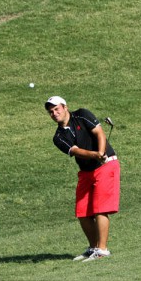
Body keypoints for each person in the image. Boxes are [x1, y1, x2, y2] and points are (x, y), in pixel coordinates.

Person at [44, 96, 120, 262]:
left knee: (100, 208)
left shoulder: (82, 114)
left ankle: (102, 250)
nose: (54, 113)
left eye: (57, 109)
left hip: (106, 166)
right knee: (82, 211)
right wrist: (94, 155)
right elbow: (76, 151)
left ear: (65, 107)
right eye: (51, 112)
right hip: (86, 171)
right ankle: (93, 247)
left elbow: (99, 133)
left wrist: (101, 152)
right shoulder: (58, 137)